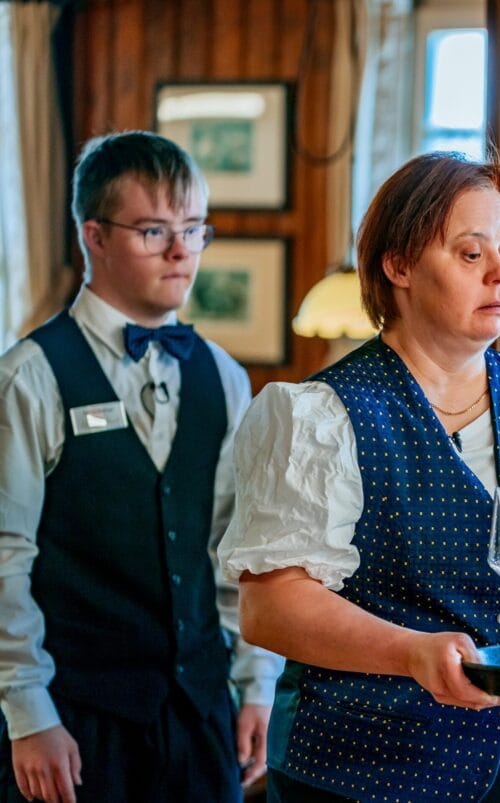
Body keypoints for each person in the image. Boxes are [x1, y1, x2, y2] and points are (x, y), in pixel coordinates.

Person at [219, 152, 500, 803]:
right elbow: (270, 606)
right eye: (471, 255)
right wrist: (411, 652)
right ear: (400, 265)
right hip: (363, 772)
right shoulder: (321, 416)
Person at [0, 131, 283, 803]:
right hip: (74, 720)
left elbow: (235, 550)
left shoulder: (225, 376)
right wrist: (28, 711)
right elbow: (5, 556)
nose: (182, 251)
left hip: (201, 714)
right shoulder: (30, 377)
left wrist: (256, 685)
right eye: (154, 231)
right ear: (93, 236)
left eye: (194, 229)